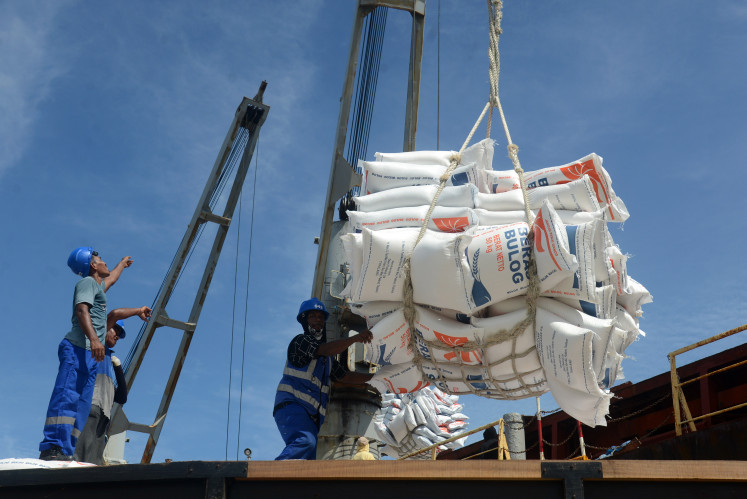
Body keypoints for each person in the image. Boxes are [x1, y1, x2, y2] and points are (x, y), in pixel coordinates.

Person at [38, 247, 148, 461]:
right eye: (101, 260)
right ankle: (52, 446)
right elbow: (81, 310)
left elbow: (113, 279)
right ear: (92, 265)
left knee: (81, 404)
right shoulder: (87, 283)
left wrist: (122, 264)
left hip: (90, 354)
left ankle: (66, 450)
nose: (105, 262)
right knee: (67, 396)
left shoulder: (98, 287)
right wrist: (96, 340)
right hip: (78, 348)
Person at [274, 298, 374, 460]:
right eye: (313, 316)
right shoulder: (301, 342)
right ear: (304, 320)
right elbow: (323, 349)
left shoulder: (327, 361)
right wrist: (356, 338)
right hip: (292, 406)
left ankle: (293, 484)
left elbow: (346, 376)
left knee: (309, 457)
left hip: (311, 417)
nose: (317, 320)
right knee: (305, 442)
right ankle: (273, 477)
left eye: (320, 317)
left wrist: (377, 378)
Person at [73, 314, 145, 464]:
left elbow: (122, 397)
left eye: (119, 333)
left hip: (103, 417)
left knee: (93, 461)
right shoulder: (94, 348)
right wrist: (137, 311)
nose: (117, 336)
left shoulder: (109, 364)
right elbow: (112, 315)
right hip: (89, 409)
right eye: (115, 330)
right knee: (80, 456)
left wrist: (118, 368)